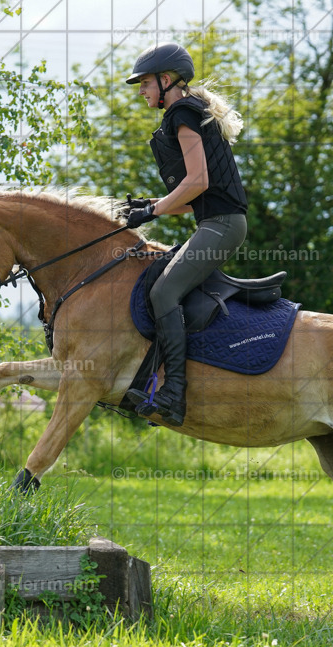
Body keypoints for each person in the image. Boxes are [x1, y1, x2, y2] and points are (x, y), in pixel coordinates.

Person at [122, 42, 249, 427]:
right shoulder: (189, 111)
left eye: (145, 83)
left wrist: (153, 209)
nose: (141, 91)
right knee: (158, 280)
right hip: (216, 221)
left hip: (223, 226)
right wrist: (150, 206)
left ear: (166, 80)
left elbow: (197, 180)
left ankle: (174, 392)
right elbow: (195, 198)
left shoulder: (181, 113)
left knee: (164, 292)